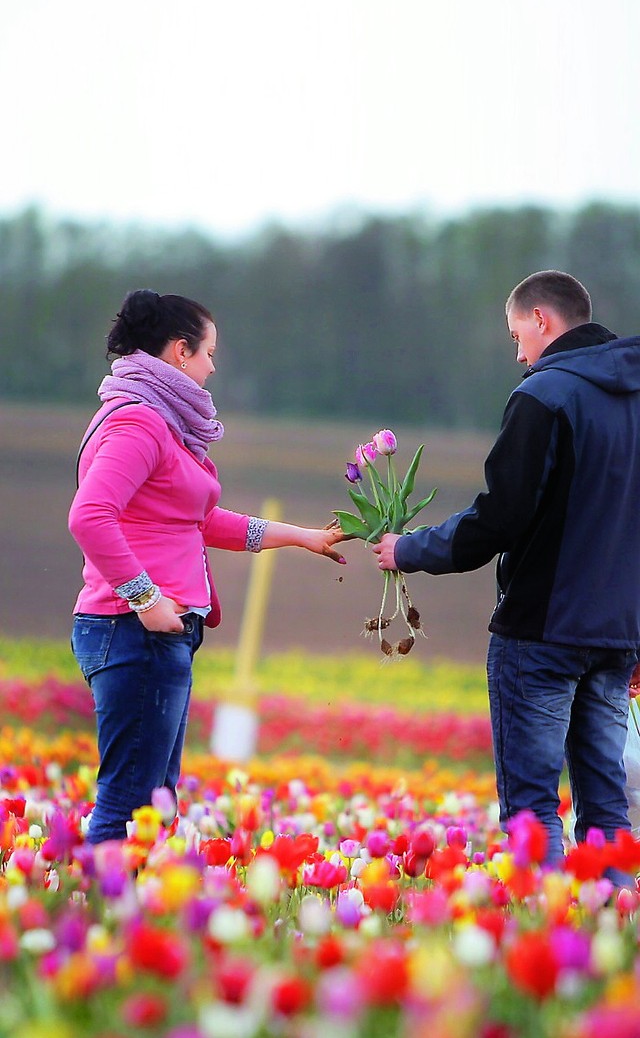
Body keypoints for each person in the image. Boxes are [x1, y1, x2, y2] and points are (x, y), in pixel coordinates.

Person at [373, 270, 640, 883]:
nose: (518, 351)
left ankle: (538, 931)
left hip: (544, 630)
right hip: (616, 636)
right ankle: (612, 929)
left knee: (532, 807)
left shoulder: (545, 395)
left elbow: (500, 518)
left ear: (542, 320)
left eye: (517, 333)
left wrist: (409, 550)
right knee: (606, 807)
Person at [69, 289, 346, 845]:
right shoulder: (140, 424)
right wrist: (146, 600)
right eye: (210, 354)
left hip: (154, 631)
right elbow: (90, 516)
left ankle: (120, 914)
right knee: (131, 804)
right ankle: (100, 914)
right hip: (136, 630)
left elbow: (199, 519)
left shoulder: (157, 423)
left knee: (154, 803)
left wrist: (302, 538)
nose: (213, 367)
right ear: (179, 352)